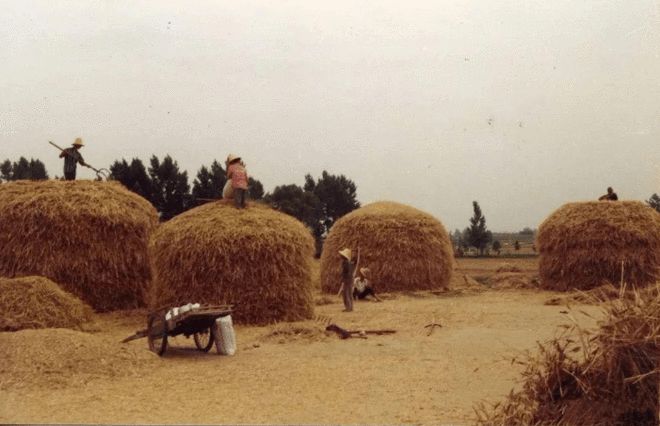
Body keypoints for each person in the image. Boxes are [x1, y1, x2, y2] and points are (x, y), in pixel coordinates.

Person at [337, 247, 360, 312]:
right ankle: (350, 307)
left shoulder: (345, 263)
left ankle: (348, 307)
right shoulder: (349, 263)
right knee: (349, 293)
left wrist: (344, 280)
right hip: (350, 279)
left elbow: (346, 273)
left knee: (346, 293)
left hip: (347, 279)